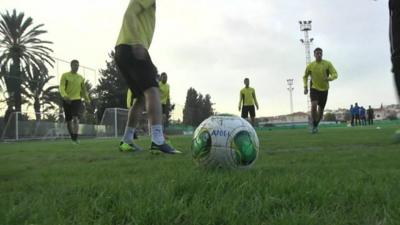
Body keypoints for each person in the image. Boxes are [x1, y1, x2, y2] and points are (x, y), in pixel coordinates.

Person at [115, 0, 180, 154]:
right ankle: (158, 140)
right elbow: (129, 14)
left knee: (140, 98)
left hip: (122, 50)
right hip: (132, 46)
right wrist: (138, 41)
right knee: (153, 90)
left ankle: (127, 140)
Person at [303, 48, 338, 133]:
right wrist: (305, 87)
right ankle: (313, 123)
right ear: (314, 55)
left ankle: (315, 125)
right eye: (317, 53)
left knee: (321, 111)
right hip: (314, 88)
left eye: (320, 53)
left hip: (324, 90)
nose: (319, 55)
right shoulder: (310, 66)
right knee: (314, 105)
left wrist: (329, 78)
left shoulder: (327, 64)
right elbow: (305, 76)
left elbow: (335, 74)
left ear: (322, 54)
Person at [59, 60, 90, 144]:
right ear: (71, 66)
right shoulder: (65, 75)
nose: (77, 67)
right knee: (69, 121)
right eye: (75, 65)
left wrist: (87, 99)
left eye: (78, 66)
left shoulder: (80, 78)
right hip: (67, 100)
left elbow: (83, 90)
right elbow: (61, 87)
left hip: (77, 99)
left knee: (75, 118)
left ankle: (75, 138)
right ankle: (72, 138)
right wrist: (64, 96)